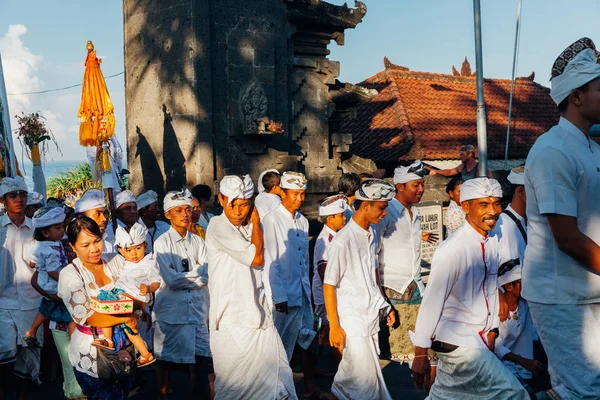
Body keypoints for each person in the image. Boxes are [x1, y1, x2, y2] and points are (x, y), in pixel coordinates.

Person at [523, 37, 600, 399]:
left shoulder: (586, 146)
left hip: (588, 289)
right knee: (582, 390)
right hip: (563, 296)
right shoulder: (553, 150)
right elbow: (566, 237)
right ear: (577, 96)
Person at [410, 177, 528, 399]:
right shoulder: (452, 249)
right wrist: (420, 353)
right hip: (459, 339)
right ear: (465, 207)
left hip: (477, 338)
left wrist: (493, 329)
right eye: (483, 204)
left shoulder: (491, 240)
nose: (493, 211)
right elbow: (432, 301)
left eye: (496, 203)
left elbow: (491, 288)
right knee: (514, 394)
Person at [207, 175, 297, 399]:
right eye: (233, 204)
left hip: (259, 318)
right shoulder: (217, 226)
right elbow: (257, 258)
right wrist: (257, 222)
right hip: (230, 321)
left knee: (278, 383)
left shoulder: (250, 229)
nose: (238, 211)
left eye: (244, 204)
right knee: (232, 388)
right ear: (221, 200)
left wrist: (254, 225)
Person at [323, 178, 397, 400]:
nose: (385, 214)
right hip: (352, 319)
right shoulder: (342, 240)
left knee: (355, 379)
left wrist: (385, 306)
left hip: (369, 315)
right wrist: (334, 326)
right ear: (366, 205)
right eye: (382, 208)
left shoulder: (371, 234)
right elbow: (329, 284)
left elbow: (370, 277)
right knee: (360, 380)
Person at [57, 217, 137, 400]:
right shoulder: (69, 274)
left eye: (96, 241)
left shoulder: (116, 261)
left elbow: (137, 289)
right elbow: (88, 316)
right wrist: (125, 318)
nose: (94, 249)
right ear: (72, 246)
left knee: (123, 393)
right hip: (91, 350)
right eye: (85, 245)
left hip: (125, 344)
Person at [263, 171, 323, 399]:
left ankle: (308, 388)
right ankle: (276, 392)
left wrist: (308, 292)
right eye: (295, 194)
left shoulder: (302, 221)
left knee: (308, 340)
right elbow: (272, 259)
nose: (299, 198)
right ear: (282, 193)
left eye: (302, 194)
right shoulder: (271, 219)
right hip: (284, 296)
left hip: (302, 293)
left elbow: (303, 260)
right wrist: (278, 296)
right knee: (280, 349)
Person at [376, 160, 438, 363]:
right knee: (397, 359)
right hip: (392, 289)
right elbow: (373, 255)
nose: (421, 189)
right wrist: (381, 298)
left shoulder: (415, 212)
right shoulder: (386, 212)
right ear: (400, 187)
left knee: (424, 354)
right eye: (416, 185)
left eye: (422, 184)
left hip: (417, 286)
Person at [153, 189, 211, 399]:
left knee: (201, 362)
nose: (185, 214)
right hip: (173, 315)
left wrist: (188, 276)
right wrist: (196, 275)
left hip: (196, 312)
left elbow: (208, 273)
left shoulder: (198, 242)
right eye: (179, 210)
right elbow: (171, 280)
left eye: (187, 209)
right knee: (175, 365)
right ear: (168, 214)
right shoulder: (162, 244)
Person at [91, 223, 159, 368]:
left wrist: (147, 288)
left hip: (134, 299)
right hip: (123, 296)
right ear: (121, 251)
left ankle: (108, 339)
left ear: (145, 246)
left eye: (138, 248)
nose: (134, 254)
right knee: (130, 328)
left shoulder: (149, 263)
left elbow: (156, 283)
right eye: (129, 250)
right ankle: (145, 354)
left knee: (108, 303)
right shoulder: (124, 263)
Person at [0, 177, 41, 398]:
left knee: (28, 354)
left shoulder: (36, 229)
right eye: (13, 195)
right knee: (4, 352)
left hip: (32, 300)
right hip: (3, 301)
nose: (19, 199)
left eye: (23, 194)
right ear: (3, 200)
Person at [23, 207, 75, 347]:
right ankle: (73, 338)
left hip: (43, 281)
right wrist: (69, 281)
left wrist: (41, 266)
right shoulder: (51, 250)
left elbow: (32, 263)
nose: (62, 230)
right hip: (53, 282)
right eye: (58, 228)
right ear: (45, 233)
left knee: (46, 307)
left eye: (62, 226)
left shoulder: (43, 244)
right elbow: (52, 272)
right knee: (71, 312)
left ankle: (32, 330)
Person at [495, 262, 545, 396]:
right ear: (509, 286)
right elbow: (496, 346)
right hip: (500, 368)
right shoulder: (494, 308)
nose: (528, 285)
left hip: (524, 368)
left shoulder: (525, 303)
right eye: (522, 282)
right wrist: (523, 361)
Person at [313, 195, 348, 362]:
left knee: (327, 331)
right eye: (341, 215)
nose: (344, 218)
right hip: (325, 294)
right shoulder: (324, 240)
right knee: (329, 330)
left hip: (331, 293)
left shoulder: (335, 236)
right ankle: (339, 366)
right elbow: (323, 270)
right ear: (330, 218)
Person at [74, 189, 116, 256]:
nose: (104, 219)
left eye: (105, 213)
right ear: (81, 217)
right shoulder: (74, 244)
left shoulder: (112, 234)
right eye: (97, 214)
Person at [136, 190, 170, 254]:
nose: (158, 210)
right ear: (144, 211)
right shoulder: (135, 230)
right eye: (155, 207)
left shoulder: (164, 227)